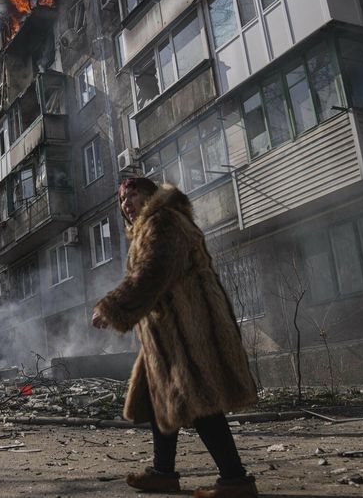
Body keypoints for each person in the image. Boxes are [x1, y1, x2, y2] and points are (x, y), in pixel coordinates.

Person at [92, 177, 259, 498]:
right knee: (160, 399)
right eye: (122, 202)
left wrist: (112, 307)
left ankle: (236, 481)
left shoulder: (163, 220)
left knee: (202, 400)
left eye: (133, 196)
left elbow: (154, 272)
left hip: (189, 329)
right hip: (169, 334)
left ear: (150, 195)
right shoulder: (152, 225)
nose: (126, 205)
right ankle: (163, 473)